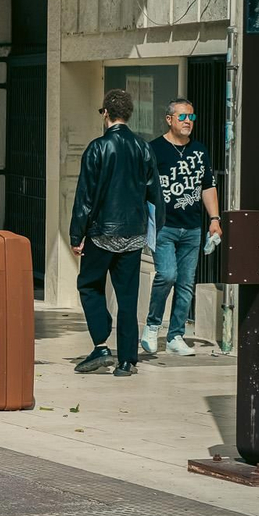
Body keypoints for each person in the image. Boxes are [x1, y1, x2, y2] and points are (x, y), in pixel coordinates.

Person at [70, 88, 161, 377]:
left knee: (89, 284)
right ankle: (127, 361)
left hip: (102, 232)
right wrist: (151, 230)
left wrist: (77, 234)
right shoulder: (143, 148)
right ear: (129, 114)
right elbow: (153, 192)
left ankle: (100, 344)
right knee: (128, 297)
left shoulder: (97, 148)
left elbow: (85, 196)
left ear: (106, 113)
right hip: (133, 233)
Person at [139, 98, 221, 358]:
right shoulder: (154, 149)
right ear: (169, 119)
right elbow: (143, 189)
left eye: (191, 118)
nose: (188, 122)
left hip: (192, 228)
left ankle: (175, 335)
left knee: (186, 284)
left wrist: (215, 220)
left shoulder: (199, 150)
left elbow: (207, 186)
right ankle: (152, 326)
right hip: (164, 227)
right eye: (183, 117)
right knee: (167, 275)